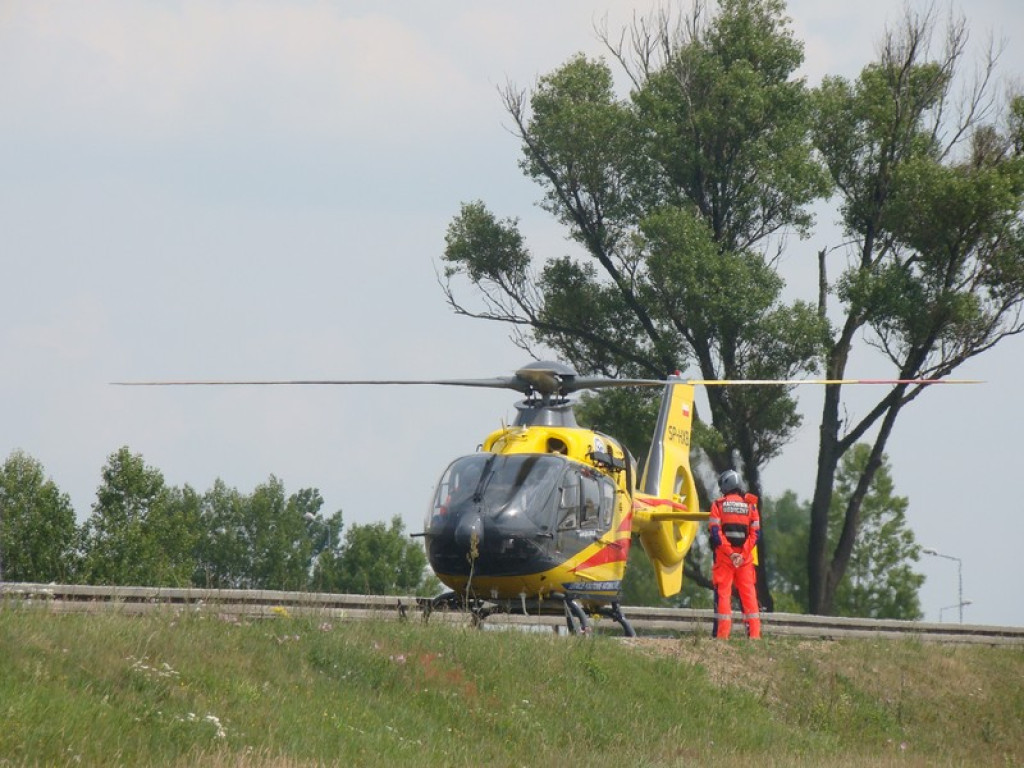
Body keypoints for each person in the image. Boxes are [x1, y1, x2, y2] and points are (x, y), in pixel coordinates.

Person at [709, 469, 762, 639]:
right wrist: (742, 554)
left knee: (724, 595)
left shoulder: (718, 505)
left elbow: (716, 533)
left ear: (726, 485)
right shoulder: (751, 505)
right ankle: (754, 636)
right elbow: (755, 534)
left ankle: (723, 636)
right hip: (745, 560)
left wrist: (731, 554)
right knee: (749, 596)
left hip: (725, 559)